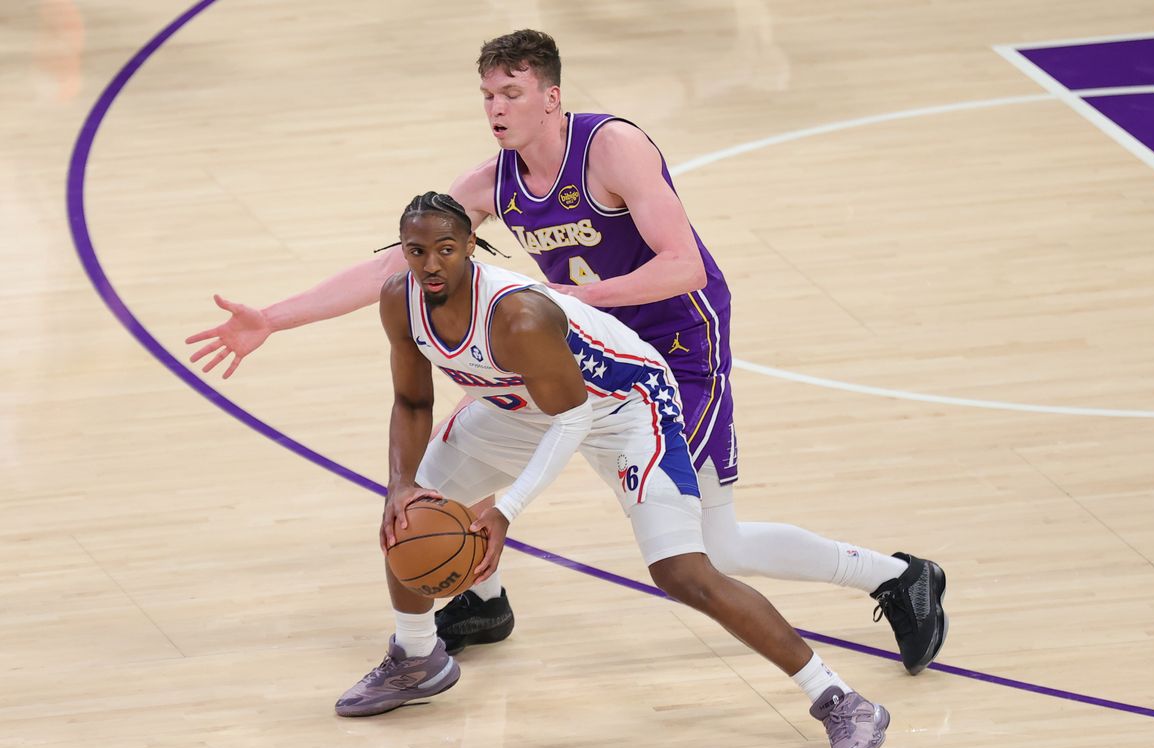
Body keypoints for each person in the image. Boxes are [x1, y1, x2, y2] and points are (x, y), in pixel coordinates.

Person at [185, 30, 947, 675]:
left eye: (511, 93)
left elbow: (686, 266)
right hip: (584, 349)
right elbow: (394, 265)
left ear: (550, 96)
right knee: (440, 471)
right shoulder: (490, 181)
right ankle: (480, 601)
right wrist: (273, 319)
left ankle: (899, 576)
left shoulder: (612, 147)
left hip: (676, 348)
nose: (495, 109)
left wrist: (586, 299)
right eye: (486, 95)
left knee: (719, 546)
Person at [344, 192, 889, 748]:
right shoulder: (400, 301)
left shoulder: (517, 315)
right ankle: (417, 654)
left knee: (682, 572)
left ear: (471, 247)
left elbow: (573, 418)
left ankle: (841, 700)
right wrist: (399, 485)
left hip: (622, 409)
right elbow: (412, 399)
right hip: (517, 408)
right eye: (416, 251)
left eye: (445, 250)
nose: (430, 264)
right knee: (409, 517)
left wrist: (506, 510)